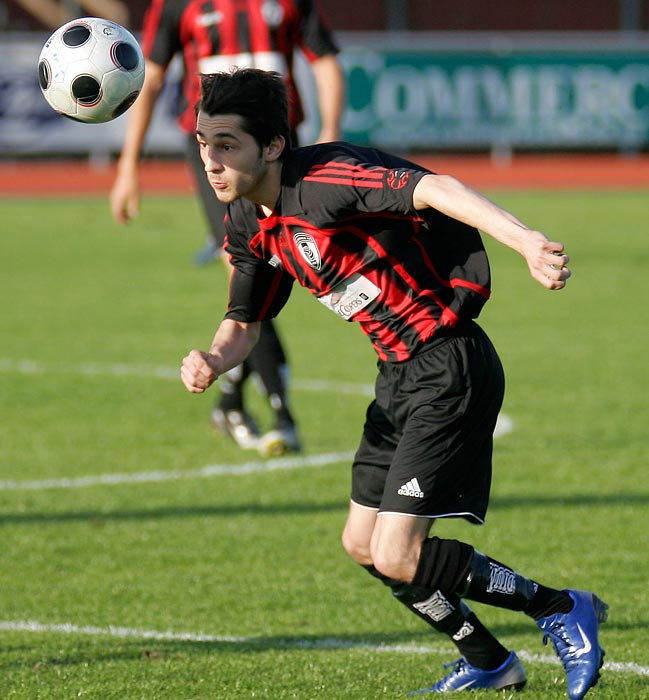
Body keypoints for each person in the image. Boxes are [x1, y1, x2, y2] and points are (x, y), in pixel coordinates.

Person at [180, 68, 608, 699]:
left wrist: (525, 242)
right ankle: (490, 660)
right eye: (202, 144)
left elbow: (433, 187)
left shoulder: (325, 177)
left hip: (449, 365)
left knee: (400, 554)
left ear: (272, 145)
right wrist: (215, 360)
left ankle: (559, 607)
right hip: (398, 377)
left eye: (226, 145)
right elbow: (245, 318)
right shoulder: (247, 220)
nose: (210, 162)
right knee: (362, 544)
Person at [110, 0, 344, 457]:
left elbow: (326, 60)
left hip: (276, 146)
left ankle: (234, 398)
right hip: (215, 150)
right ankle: (281, 414)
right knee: (243, 264)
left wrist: (330, 134)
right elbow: (152, 76)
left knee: (283, 267)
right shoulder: (177, 4)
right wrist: (128, 164)